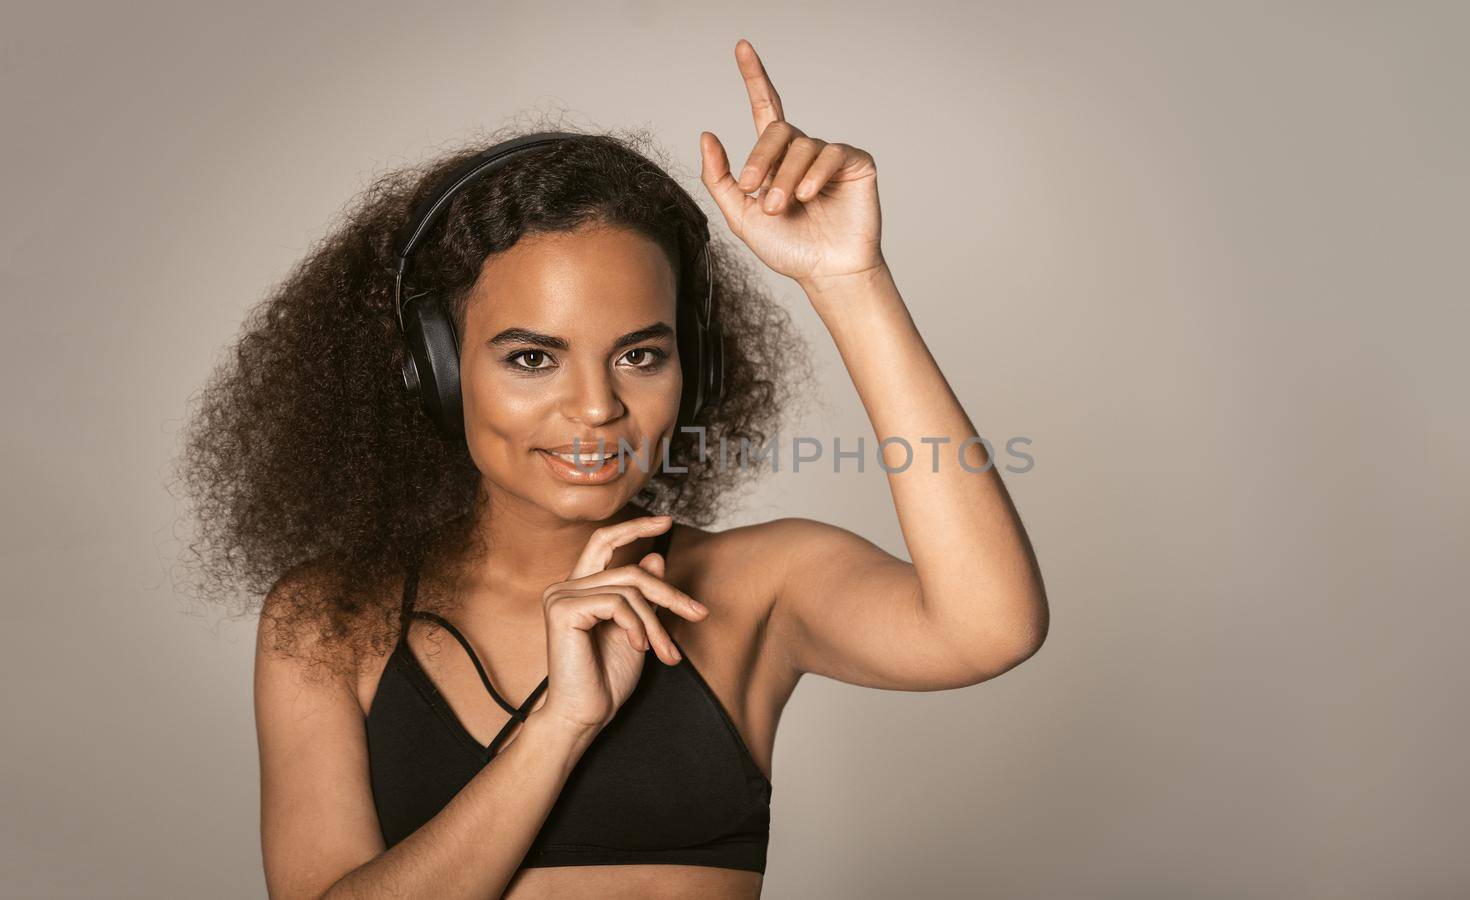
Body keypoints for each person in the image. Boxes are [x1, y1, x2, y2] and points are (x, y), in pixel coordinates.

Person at [175, 38, 1047, 900]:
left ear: (693, 368)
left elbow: (989, 628)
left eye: (639, 355)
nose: (596, 408)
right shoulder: (333, 621)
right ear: (435, 374)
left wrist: (848, 280)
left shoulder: (755, 588)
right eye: (530, 359)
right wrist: (560, 725)